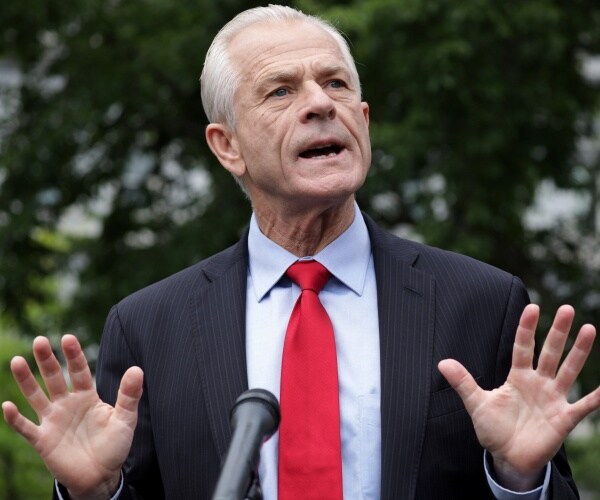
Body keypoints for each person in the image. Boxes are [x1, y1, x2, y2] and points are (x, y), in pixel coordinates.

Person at [2, 5, 600, 500]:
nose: (320, 104)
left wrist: (520, 478)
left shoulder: (482, 303)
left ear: (363, 121)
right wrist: (95, 492)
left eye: (336, 83)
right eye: (281, 91)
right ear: (227, 145)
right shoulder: (150, 325)